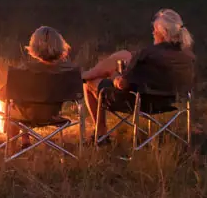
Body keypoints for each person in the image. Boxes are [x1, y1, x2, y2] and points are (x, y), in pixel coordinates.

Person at [83, 8, 196, 138]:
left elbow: (122, 85)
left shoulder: (148, 54)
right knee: (124, 54)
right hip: (169, 100)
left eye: (155, 30)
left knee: (89, 83)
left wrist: (114, 75)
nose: (153, 33)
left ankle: (100, 133)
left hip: (140, 102)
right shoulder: (187, 55)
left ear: (163, 32)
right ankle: (85, 74)